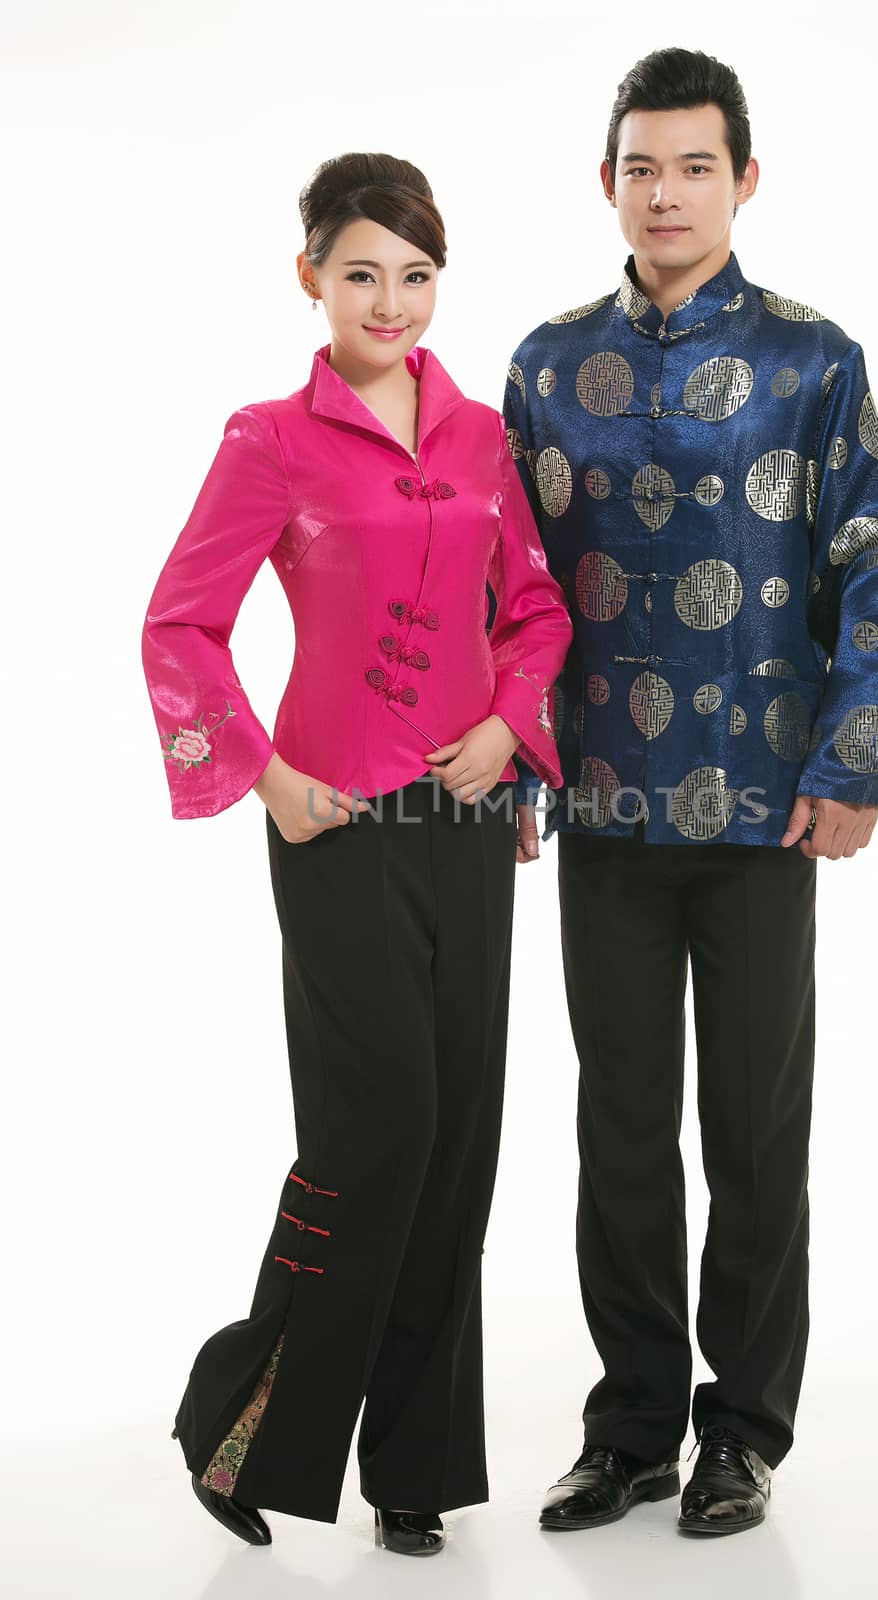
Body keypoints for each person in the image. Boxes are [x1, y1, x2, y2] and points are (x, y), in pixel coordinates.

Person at [141, 151, 572, 1557]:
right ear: (313, 275)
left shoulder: (477, 439)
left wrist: (513, 729)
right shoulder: (272, 440)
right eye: (364, 271)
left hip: (461, 827)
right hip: (333, 831)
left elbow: (538, 616)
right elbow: (180, 625)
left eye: (418, 274)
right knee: (375, 1133)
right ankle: (240, 1421)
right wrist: (262, 776)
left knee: (457, 1146)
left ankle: (418, 1468)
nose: (392, 300)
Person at [502, 48, 878, 1537]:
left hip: (761, 811)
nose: (663, 192)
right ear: (605, 181)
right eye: (638, 166)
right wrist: (518, 766)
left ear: (745, 178)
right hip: (603, 801)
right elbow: (517, 591)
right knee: (620, 1125)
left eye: (692, 165)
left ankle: (742, 1428)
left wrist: (853, 761)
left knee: (751, 1130)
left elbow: (870, 562)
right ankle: (628, 1429)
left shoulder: (814, 361)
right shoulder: (547, 367)